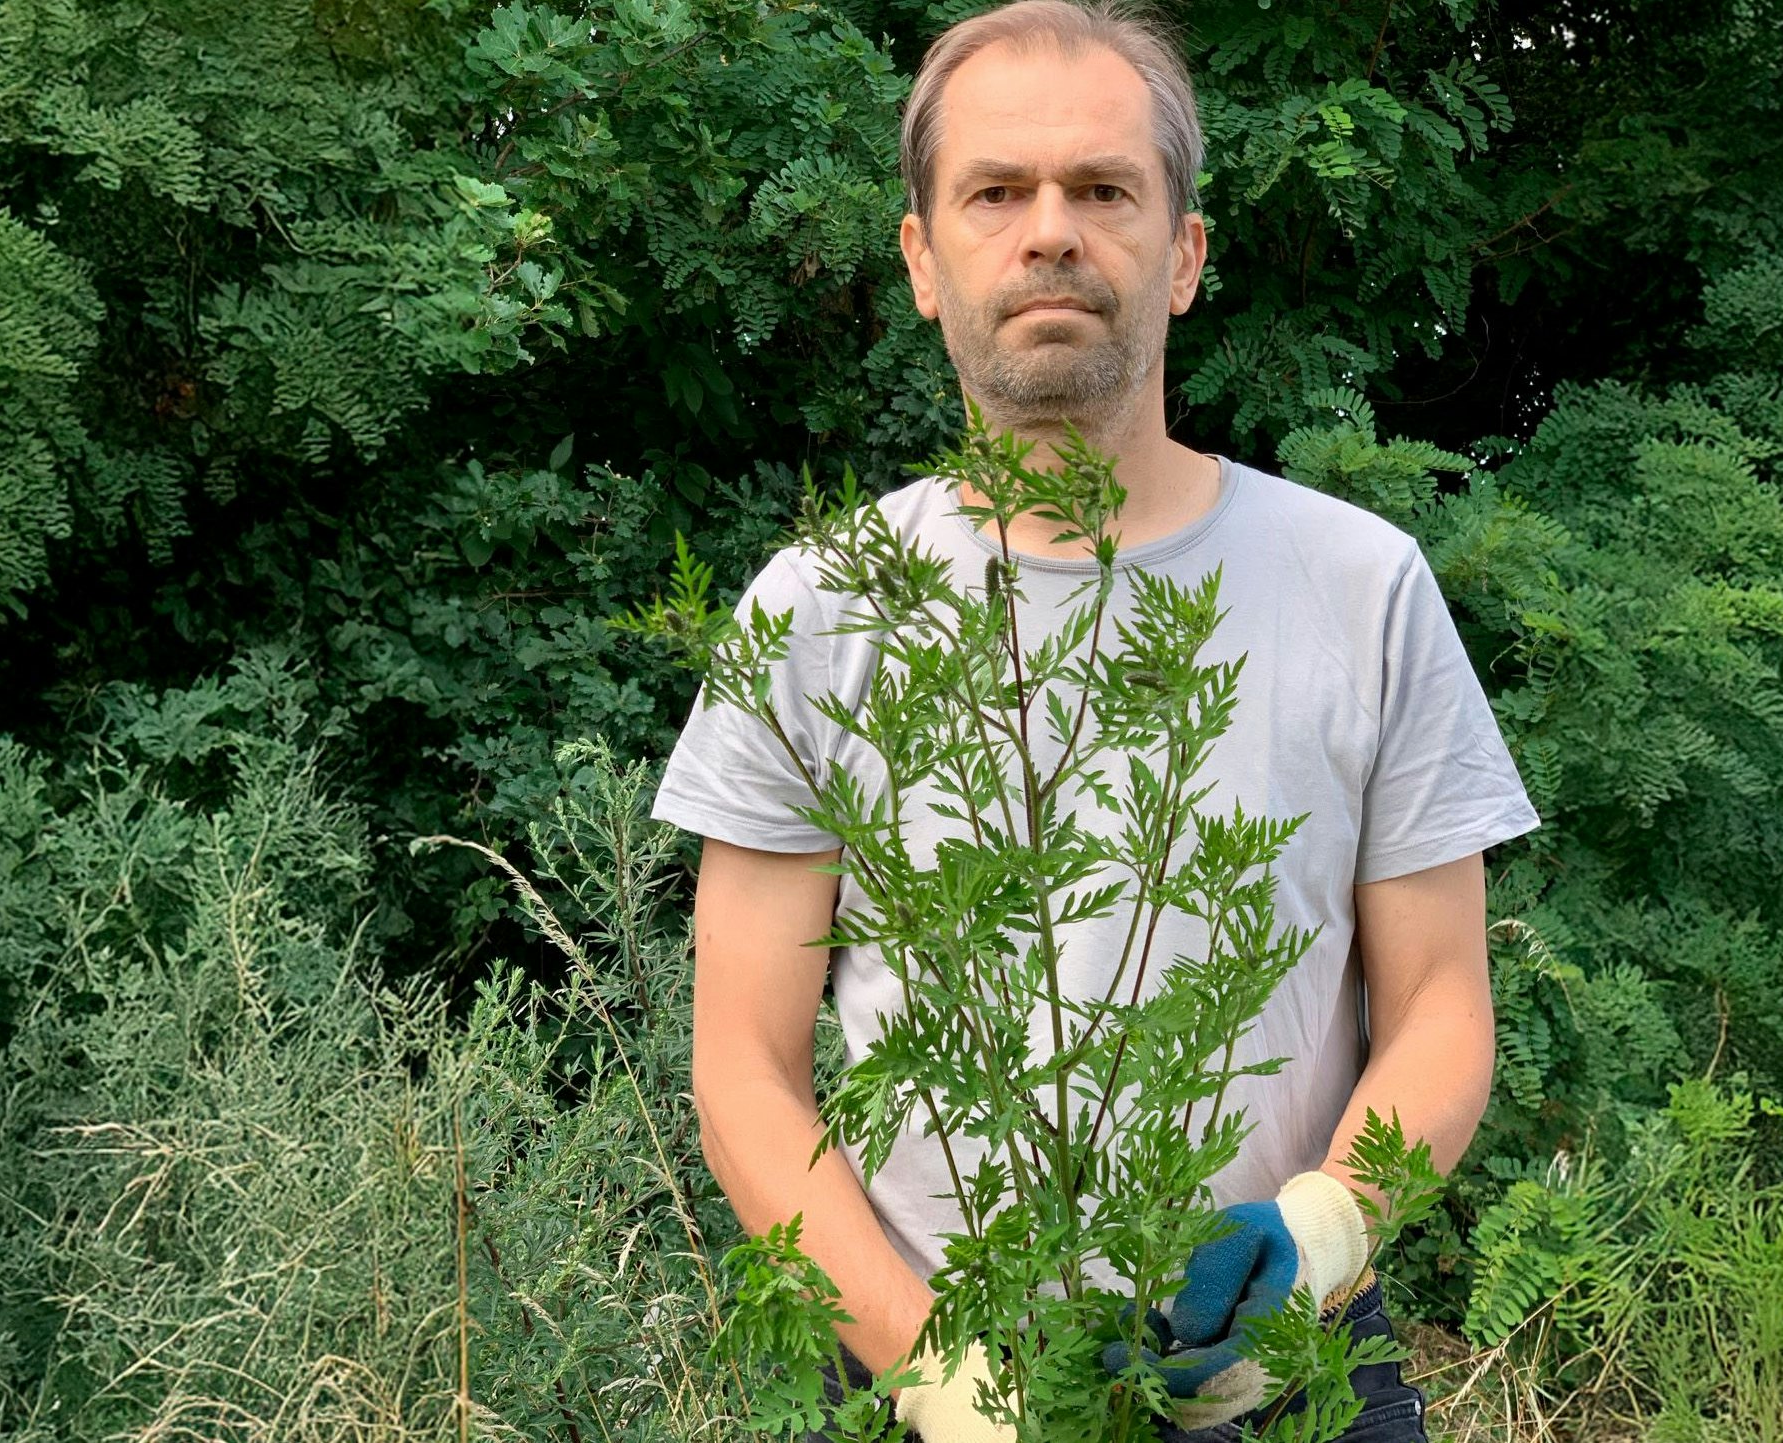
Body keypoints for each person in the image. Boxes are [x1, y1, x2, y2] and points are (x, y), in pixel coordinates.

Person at [647, 2, 1541, 1438]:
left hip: (1285, 1373)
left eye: (1103, 190)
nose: (1049, 231)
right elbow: (744, 1065)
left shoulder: (1359, 584)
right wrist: (940, 1378)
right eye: (995, 192)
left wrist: (1317, 1232)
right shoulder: (815, 607)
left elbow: (1439, 1002)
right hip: (915, 1370)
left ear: (1181, 256)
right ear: (923, 261)